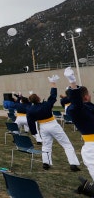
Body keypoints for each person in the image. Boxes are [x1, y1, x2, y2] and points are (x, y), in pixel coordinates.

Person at [27, 74, 80, 171]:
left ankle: (45, 163)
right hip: (53, 124)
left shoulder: (30, 110)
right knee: (66, 144)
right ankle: (73, 164)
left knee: (46, 146)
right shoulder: (46, 105)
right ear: (38, 98)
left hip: (43, 127)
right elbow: (53, 96)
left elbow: (30, 122)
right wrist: (53, 84)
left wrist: (34, 132)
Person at [64, 67, 94, 196]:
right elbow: (76, 105)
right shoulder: (74, 110)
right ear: (87, 96)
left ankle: (88, 188)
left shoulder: (90, 107)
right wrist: (73, 84)